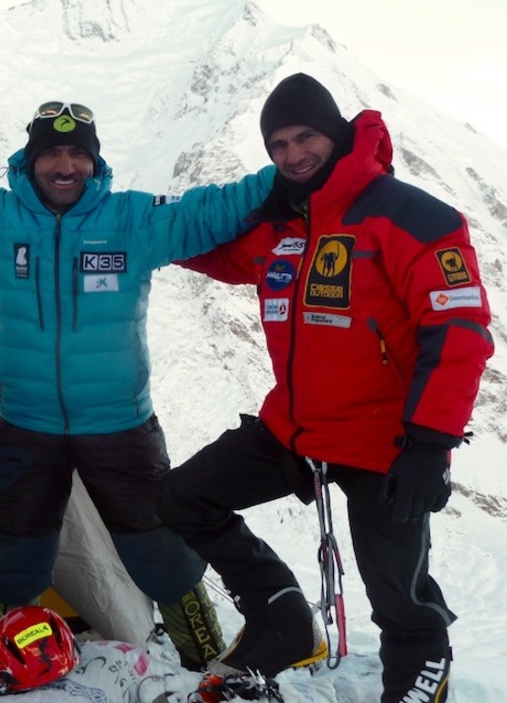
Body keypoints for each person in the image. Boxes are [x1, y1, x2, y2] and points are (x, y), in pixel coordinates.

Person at [0, 100, 275, 671]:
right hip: (26, 428)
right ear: (30, 160)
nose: (66, 166)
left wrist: (303, 165)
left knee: (164, 555)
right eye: (52, 153)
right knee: (12, 560)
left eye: (78, 154)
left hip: (121, 428)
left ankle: (208, 666)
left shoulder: (132, 220)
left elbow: (218, 209)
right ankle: (3, 673)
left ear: (95, 163)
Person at [157, 73, 494, 702]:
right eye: (278, 144)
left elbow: (459, 333)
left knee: (396, 592)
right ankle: (282, 616)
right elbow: (220, 256)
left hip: (385, 443)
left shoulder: (411, 217)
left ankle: (421, 671)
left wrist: (429, 444)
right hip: (294, 428)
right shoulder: (280, 224)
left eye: (305, 137)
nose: (293, 154)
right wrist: (148, 230)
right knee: (184, 498)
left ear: (336, 134)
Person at [0, 605, 207, 702]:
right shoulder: (114, 653)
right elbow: (193, 679)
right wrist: (219, 672)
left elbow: (191, 680)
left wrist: (219, 673)